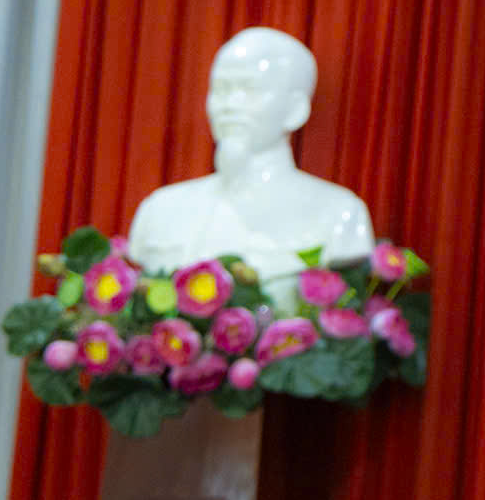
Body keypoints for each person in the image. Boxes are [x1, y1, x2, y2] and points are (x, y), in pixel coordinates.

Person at [128, 26, 374, 297]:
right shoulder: (161, 209)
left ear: (295, 109)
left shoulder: (339, 214)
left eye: (250, 90)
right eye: (221, 90)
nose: (230, 105)